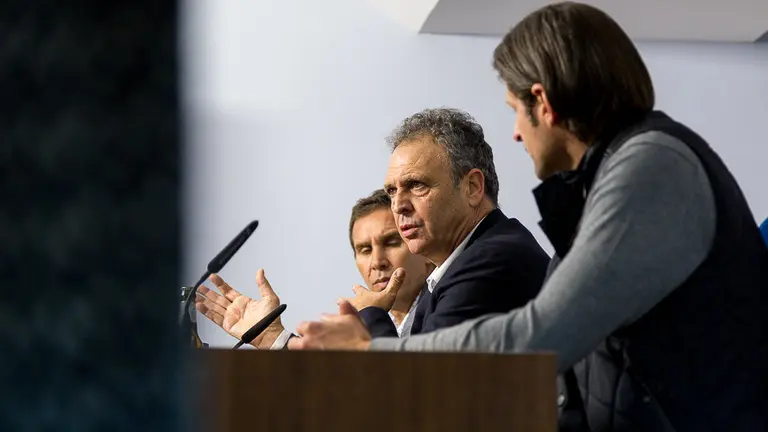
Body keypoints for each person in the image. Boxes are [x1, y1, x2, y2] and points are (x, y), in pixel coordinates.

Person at [288, 3, 768, 431]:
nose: (516, 134)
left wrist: (372, 354)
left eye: (516, 111)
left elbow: (542, 336)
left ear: (544, 102)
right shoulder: (618, 172)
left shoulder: (651, 165)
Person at [195, 189, 433, 348]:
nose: (377, 262)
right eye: (364, 250)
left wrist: (372, 313)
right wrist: (272, 337)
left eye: (392, 243)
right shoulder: (366, 327)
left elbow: (403, 383)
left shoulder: (444, 309)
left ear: (425, 250)